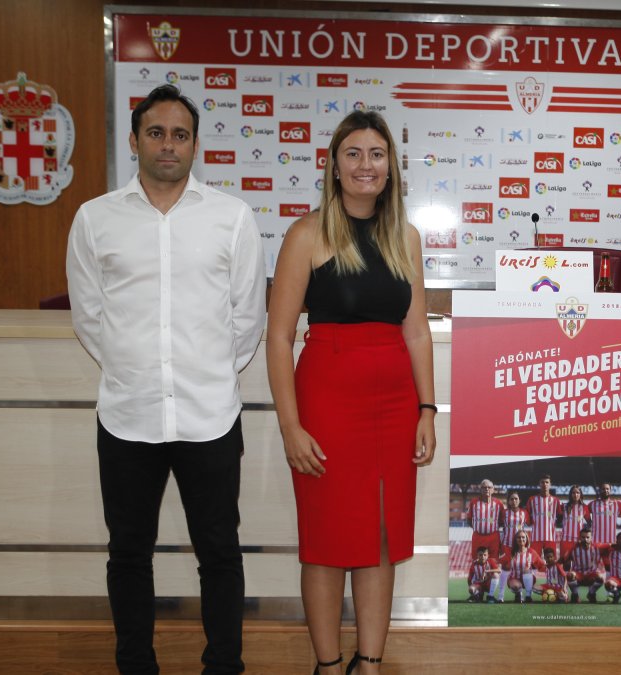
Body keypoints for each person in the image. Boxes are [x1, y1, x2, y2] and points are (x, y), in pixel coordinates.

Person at [66, 83, 266, 674]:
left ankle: (224, 667)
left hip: (209, 415)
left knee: (220, 555)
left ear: (195, 144)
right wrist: (136, 369)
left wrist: (201, 373)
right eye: (157, 133)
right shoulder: (94, 218)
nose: (169, 145)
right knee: (128, 555)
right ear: (135, 140)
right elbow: (89, 317)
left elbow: (247, 320)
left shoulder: (231, 218)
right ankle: (136, 667)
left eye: (181, 135)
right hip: (128, 416)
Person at [266, 109, 436, 675]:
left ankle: (369, 662)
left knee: (381, 539)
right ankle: (327, 665)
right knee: (327, 541)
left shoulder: (405, 237)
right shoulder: (307, 233)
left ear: (392, 167)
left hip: (393, 406)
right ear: (335, 167)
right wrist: (290, 425)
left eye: (377, 154)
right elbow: (279, 334)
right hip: (327, 404)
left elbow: (415, 330)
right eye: (354, 154)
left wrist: (427, 409)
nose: (367, 165)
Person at [494, 491, 528, 602]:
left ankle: (519, 594)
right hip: (507, 544)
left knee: (521, 569)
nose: (514, 501)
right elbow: (498, 524)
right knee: (505, 568)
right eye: (511, 499)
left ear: (519, 500)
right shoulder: (504, 513)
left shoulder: (524, 513)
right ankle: (501, 595)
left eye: (516, 499)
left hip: (519, 546)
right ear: (508, 501)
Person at [498, 530, 545, 604]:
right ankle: (518, 594)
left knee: (527, 570)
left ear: (526, 539)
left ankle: (528, 596)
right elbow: (499, 561)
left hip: (529, 578)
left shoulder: (531, 552)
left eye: (523, 537)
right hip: (514, 578)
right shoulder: (510, 552)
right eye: (518, 537)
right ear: (515, 540)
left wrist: (552, 566)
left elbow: (541, 565)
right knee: (516, 586)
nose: (521, 539)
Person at [466, 480, 504, 566]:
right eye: (484, 487)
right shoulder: (474, 503)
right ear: (480, 490)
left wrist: (491, 527)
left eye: (489, 487)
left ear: (493, 490)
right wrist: (478, 527)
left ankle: (493, 579)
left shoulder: (499, 504)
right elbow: (468, 519)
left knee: (493, 562)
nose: (486, 489)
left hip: (493, 537)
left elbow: (502, 521)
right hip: (478, 536)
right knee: (477, 562)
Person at [563, 527, 605, 604]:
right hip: (578, 576)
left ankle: (591, 593)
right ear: (579, 538)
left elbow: (612, 546)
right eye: (583, 537)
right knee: (570, 575)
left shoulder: (598, 547)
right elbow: (563, 560)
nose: (585, 539)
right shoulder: (573, 548)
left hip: (591, 576)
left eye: (587, 537)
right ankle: (575, 594)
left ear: (591, 538)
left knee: (601, 577)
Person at [526, 475, 561, 556]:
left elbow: (561, 515)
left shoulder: (556, 500)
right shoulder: (532, 499)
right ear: (539, 484)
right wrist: (529, 522)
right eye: (542, 482)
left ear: (550, 484)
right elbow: (526, 514)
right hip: (536, 537)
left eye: (547, 482)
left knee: (550, 561)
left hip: (550, 537)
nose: (545, 484)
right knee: (534, 562)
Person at [588, 482, 621, 555]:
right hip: (596, 543)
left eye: (607, 489)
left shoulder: (616, 504)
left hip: (611, 543)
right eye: (603, 489)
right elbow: (583, 510)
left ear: (610, 490)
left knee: (609, 566)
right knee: (595, 566)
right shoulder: (592, 504)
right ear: (599, 490)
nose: (605, 490)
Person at [558, 485, 590, 560]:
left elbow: (589, 523)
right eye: (573, 493)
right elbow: (558, 520)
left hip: (578, 541)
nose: (575, 495)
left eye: (578, 493)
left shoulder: (584, 507)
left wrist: (585, 535)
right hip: (566, 540)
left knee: (579, 562)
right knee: (566, 563)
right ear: (570, 494)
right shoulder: (564, 506)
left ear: (580, 494)